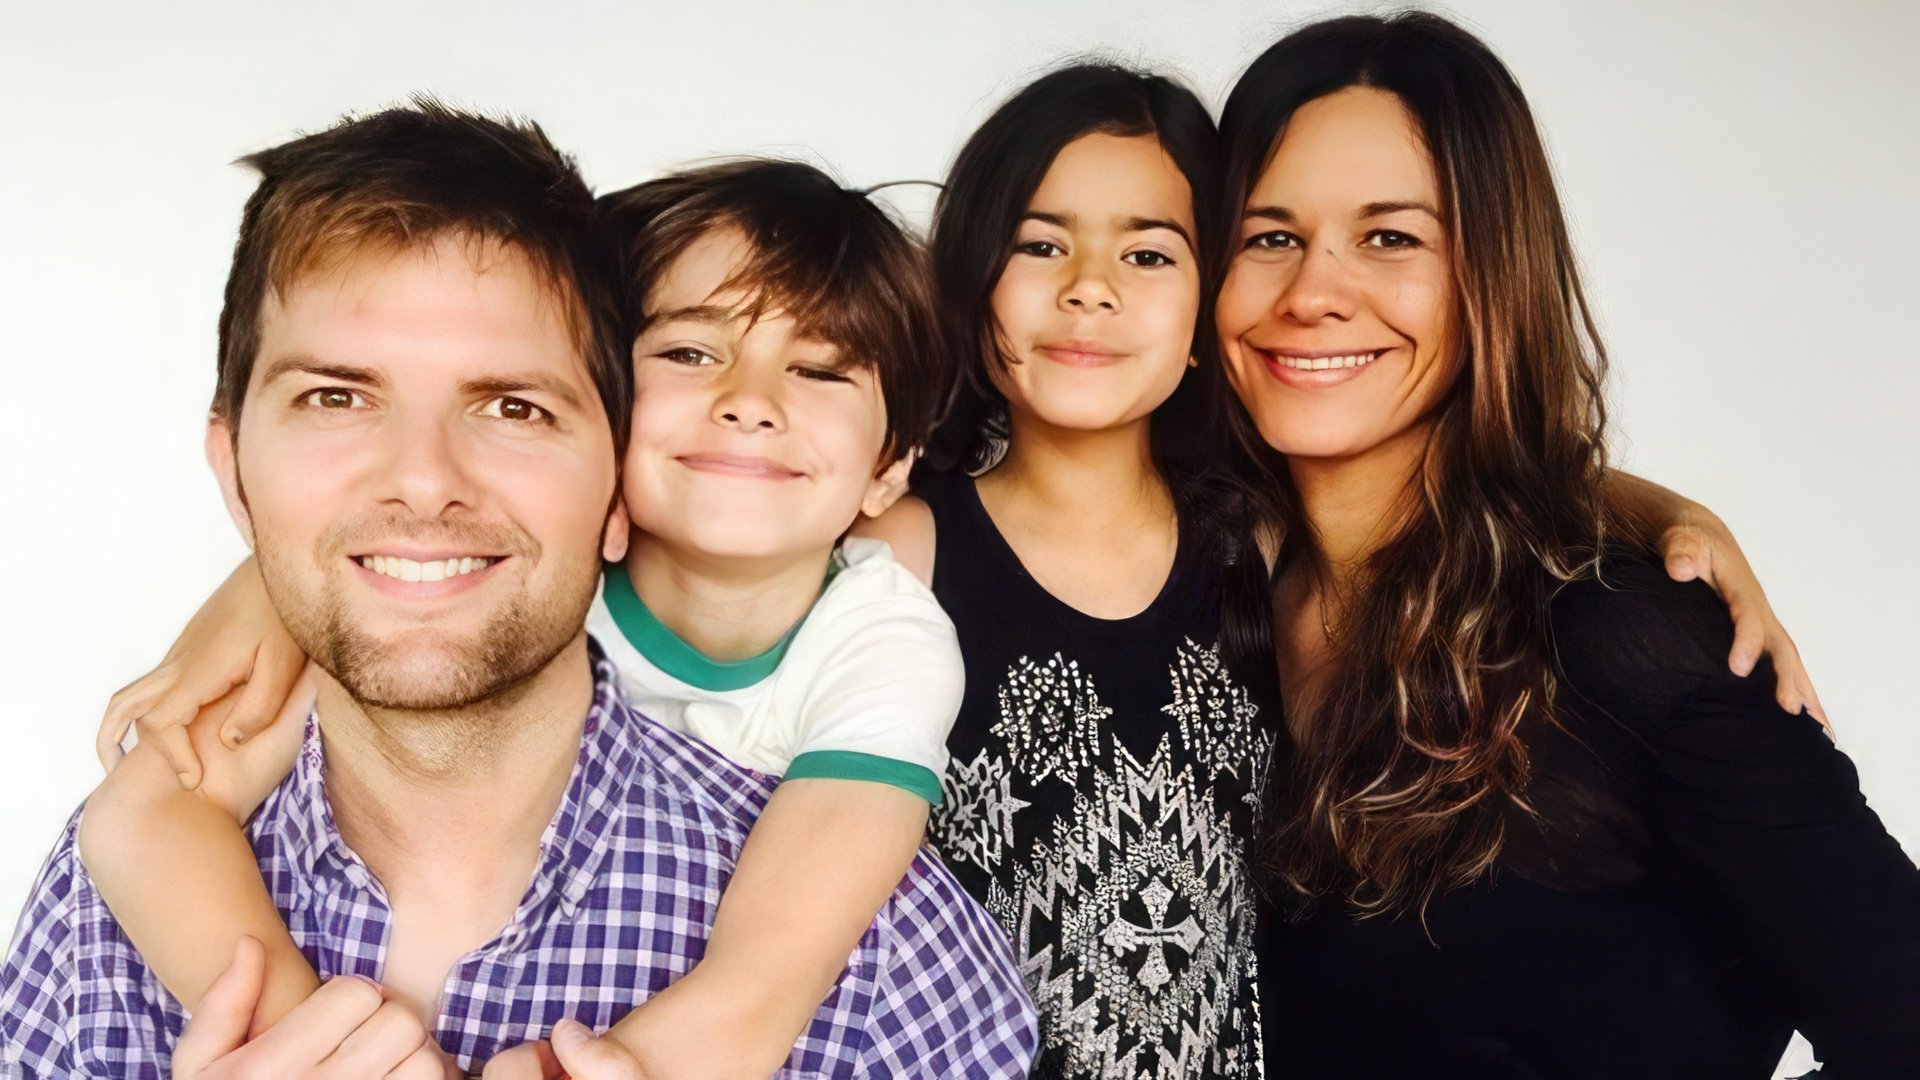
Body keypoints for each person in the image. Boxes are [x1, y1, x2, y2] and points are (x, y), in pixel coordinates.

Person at [0, 101, 1036, 1078]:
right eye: (335, 396)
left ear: (614, 486)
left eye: (513, 408)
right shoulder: (114, 910)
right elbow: (137, 815)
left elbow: (764, 987)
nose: (423, 481)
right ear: (235, 475)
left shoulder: (887, 954)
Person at [858, 61, 1817, 1080]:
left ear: (1207, 305)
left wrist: (1667, 513)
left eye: (1148, 253)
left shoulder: (1255, 540)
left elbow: (1460, 479)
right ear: (971, 280)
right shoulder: (901, 555)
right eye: (1039, 245)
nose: (1089, 287)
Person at [1210, 14, 1920, 1077]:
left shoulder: (1620, 635)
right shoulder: (1204, 594)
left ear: (1491, 273)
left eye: (1392, 237)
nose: (1313, 292)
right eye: (1269, 236)